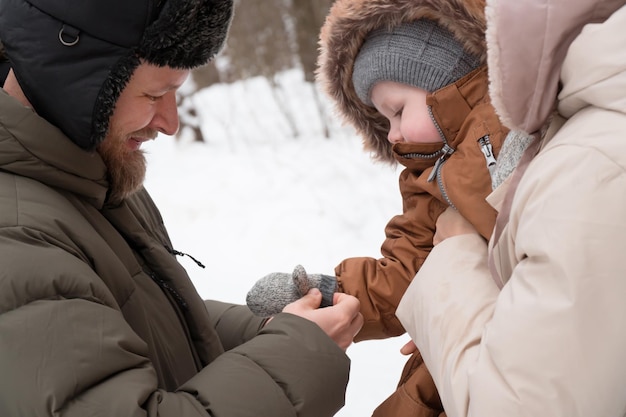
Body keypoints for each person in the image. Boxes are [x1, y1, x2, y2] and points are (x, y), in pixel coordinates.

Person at [0, 1, 364, 416]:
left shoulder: (85, 173)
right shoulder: (15, 236)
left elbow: (129, 323)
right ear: (70, 78)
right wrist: (297, 353)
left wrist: (267, 331)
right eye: (155, 94)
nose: (170, 122)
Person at [245, 0, 524, 415]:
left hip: (522, 358)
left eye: (396, 111)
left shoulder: (526, 132)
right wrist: (328, 294)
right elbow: (406, 275)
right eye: (382, 120)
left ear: (448, 81)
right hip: (460, 354)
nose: (392, 135)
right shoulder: (428, 178)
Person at [395, 0, 626, 416]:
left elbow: (515, 403)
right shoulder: (565, 131)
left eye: (395, 111)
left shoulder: (588, 159)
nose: (393, 135)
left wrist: (453, 271)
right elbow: (404, 261)